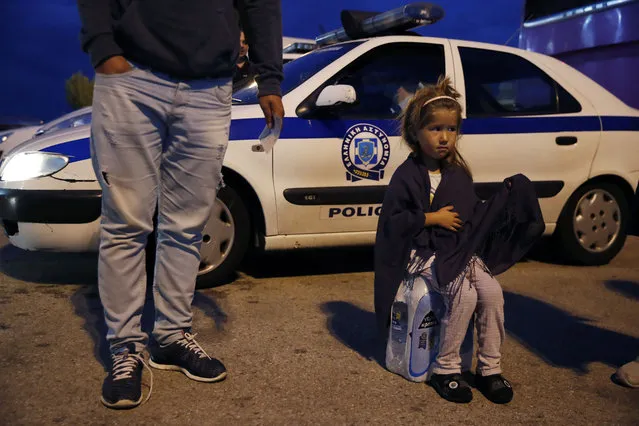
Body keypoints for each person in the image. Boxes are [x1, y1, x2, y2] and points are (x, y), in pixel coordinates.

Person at [76, 0, 284, 409]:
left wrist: (270, 79)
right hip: (133, 76)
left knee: (188, 225)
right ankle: (126, 350)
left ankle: (170, 338)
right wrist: (103, 46)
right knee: (126, 224)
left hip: (209, 88)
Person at [374, 76, 544, 404]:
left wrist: (501, 201)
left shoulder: (457, 173)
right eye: (435, 129)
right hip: (422, 252)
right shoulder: (407, 176)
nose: (444, 137)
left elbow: (470, 215)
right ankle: (446, 369)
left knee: (492, 293)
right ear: (415, 132)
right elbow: (392, 222)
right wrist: (430, 218)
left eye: (451, 129)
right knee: (464, 294)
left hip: (458, 249)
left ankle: (489, 368)